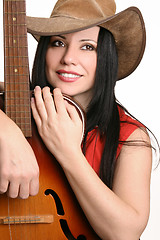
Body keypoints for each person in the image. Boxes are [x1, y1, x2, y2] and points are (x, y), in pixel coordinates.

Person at [0, 0, 157, 239]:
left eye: (87, 47)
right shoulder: (9, 108)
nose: (68, 58)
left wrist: (67, 151)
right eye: (59, 43)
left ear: (106, 57)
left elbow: (125, 233)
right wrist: (7, 132)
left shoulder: (130, 136)